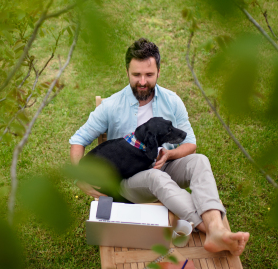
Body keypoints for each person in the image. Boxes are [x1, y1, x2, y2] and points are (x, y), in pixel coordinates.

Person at [69, 38, 249, 256]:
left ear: (159, 72)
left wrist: (170, 154)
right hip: (128, 180)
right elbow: (78, 139)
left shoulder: (172, 101)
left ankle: (217, 230)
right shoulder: (111, 106)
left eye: (149, 75)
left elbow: (190, 143)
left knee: (200, 161)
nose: (142, 81)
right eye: (136, 75)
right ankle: (211, 229)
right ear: (127, 71)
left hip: (164, 165)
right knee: (156, 178)